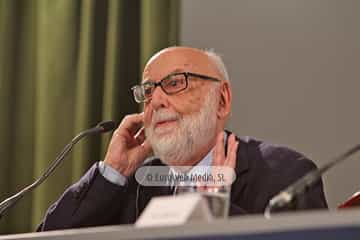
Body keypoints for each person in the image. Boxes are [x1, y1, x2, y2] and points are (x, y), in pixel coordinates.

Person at [37, 46, 327, 231]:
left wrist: (217, 215)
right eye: (148, 91)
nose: (157, 100)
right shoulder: (135, 183)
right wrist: (114, 173)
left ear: (222, 100)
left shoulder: (285, 175)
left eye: (175, 83)